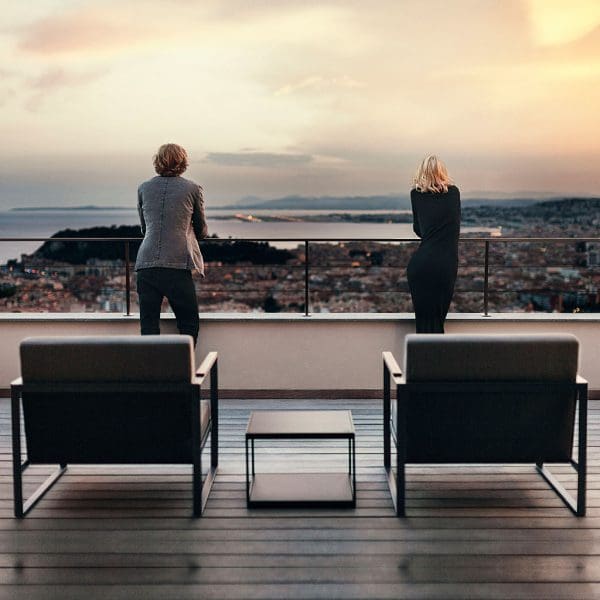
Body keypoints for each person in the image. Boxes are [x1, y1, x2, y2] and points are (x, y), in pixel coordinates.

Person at [135, 143, 208, 346]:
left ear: (157, 162)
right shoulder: (193, 189)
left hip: (146, 264)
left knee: (148, 328)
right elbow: (202, 230)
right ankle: (181, 371)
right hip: (177, 264)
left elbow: (144, 228)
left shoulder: (143, 188)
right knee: (189, 325)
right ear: (183, 163)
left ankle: (153, 375)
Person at [407, 155, 460, 333]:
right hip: (445, 264)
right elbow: (455, 227)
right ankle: (436, 360)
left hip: (420, 265)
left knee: (423, 325)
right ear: (442, 172)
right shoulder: (453, 193)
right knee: (438, 323)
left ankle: (420, 359)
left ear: (421, 173)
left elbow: (418, 229)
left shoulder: (415, 194)